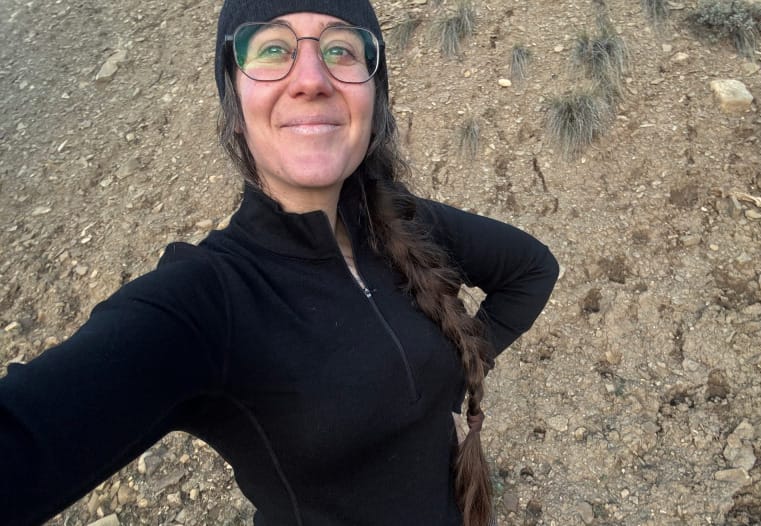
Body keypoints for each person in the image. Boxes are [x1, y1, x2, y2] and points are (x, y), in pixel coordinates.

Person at [0, 0, 559, 525]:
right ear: (235, 108)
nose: (312, 79)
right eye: (271, 49)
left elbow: (532, 270)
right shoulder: (206, 301)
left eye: (341, 49)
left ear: (374, 99)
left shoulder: (405, 223)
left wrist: (458, 367)